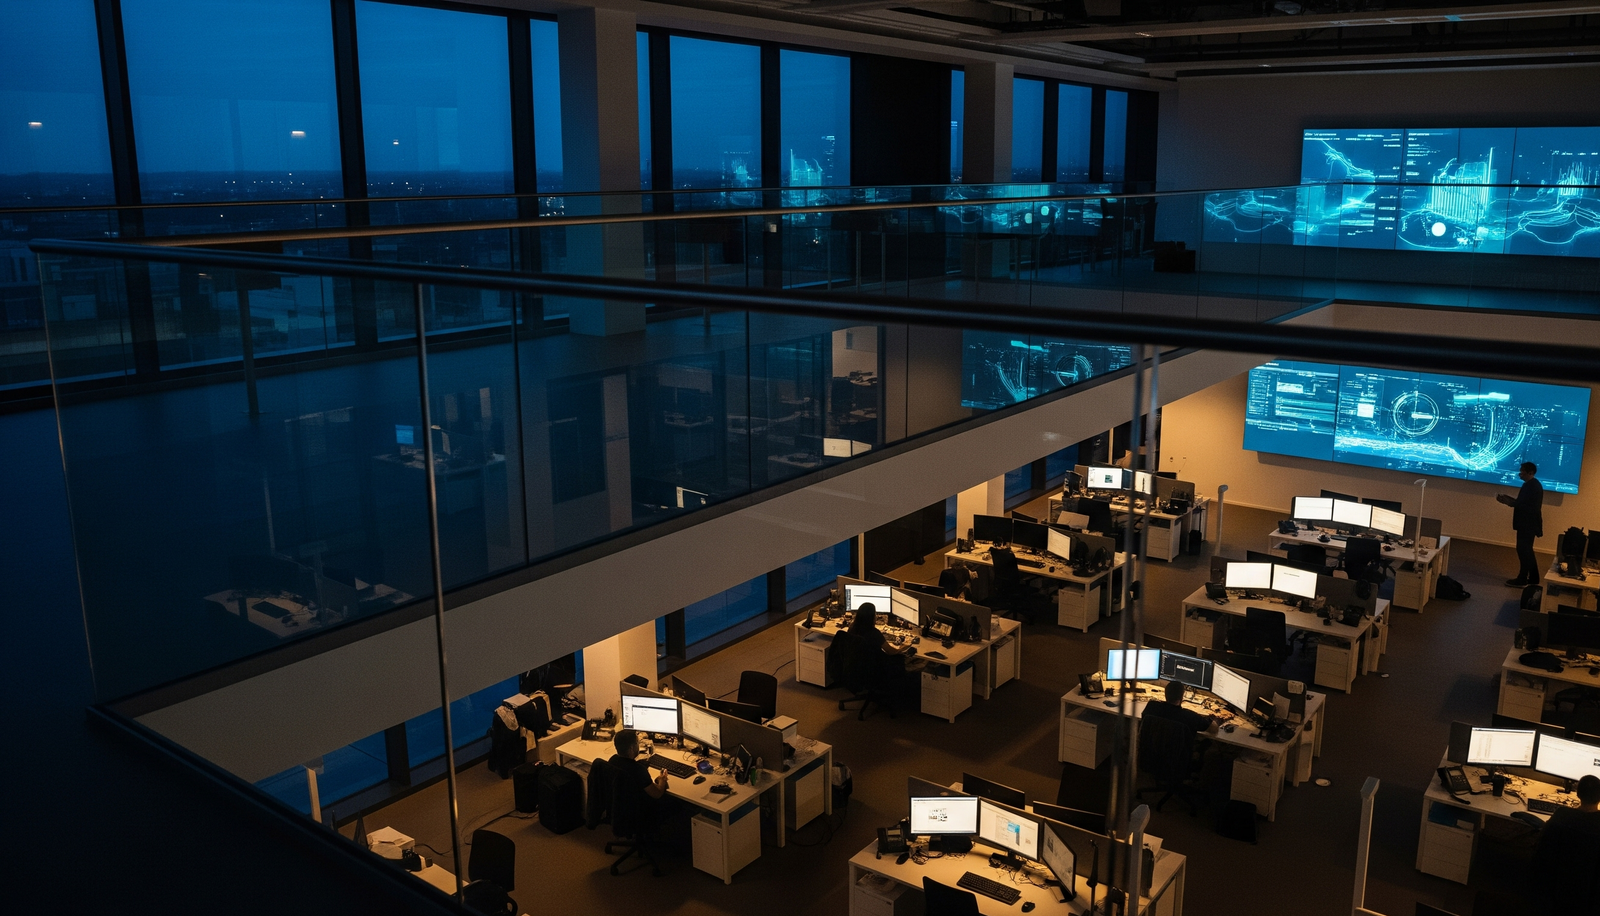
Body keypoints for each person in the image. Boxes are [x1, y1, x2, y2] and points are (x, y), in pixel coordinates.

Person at [1530, 774, 1600, 910]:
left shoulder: (1561, 815)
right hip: (1588, 894)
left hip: (1553, 885)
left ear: (1578, 794)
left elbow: (1542, 843)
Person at [1498, 461, 1544, 587]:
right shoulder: (1533, 485)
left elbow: (1523, 505)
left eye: (1522, 471)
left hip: (1527, 524)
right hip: (1528, 523)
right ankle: (1533, 578)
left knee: (1523, 550)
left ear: (1530, 472)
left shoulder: (1531, 486)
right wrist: (1510, 501)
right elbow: (1523, 503)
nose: (1520, 473)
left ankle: (1522, 578)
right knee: (1527, 550)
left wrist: (1509, 502)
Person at [1142, 679, 1219, 738]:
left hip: (1150, 756)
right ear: (1182, 698)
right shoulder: (1190, 717)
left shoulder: (1151, 706)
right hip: (1177, 758)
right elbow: (1214, 730)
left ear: (1165, 695)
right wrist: (1214, 720)